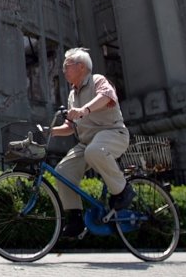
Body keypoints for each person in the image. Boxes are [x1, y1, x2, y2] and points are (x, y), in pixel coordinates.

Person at [50, 47, 134, 238]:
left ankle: (123, 190)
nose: (63, 70)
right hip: (87, 143)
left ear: (80, 67)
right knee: (63, 171)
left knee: (94, 151)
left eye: (66, 66)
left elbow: (106, 96)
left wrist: (84, 110)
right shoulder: (73, 95)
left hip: (112, 133)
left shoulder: (97, 80)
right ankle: (75, 218)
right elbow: (70, 126)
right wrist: (52, 131)